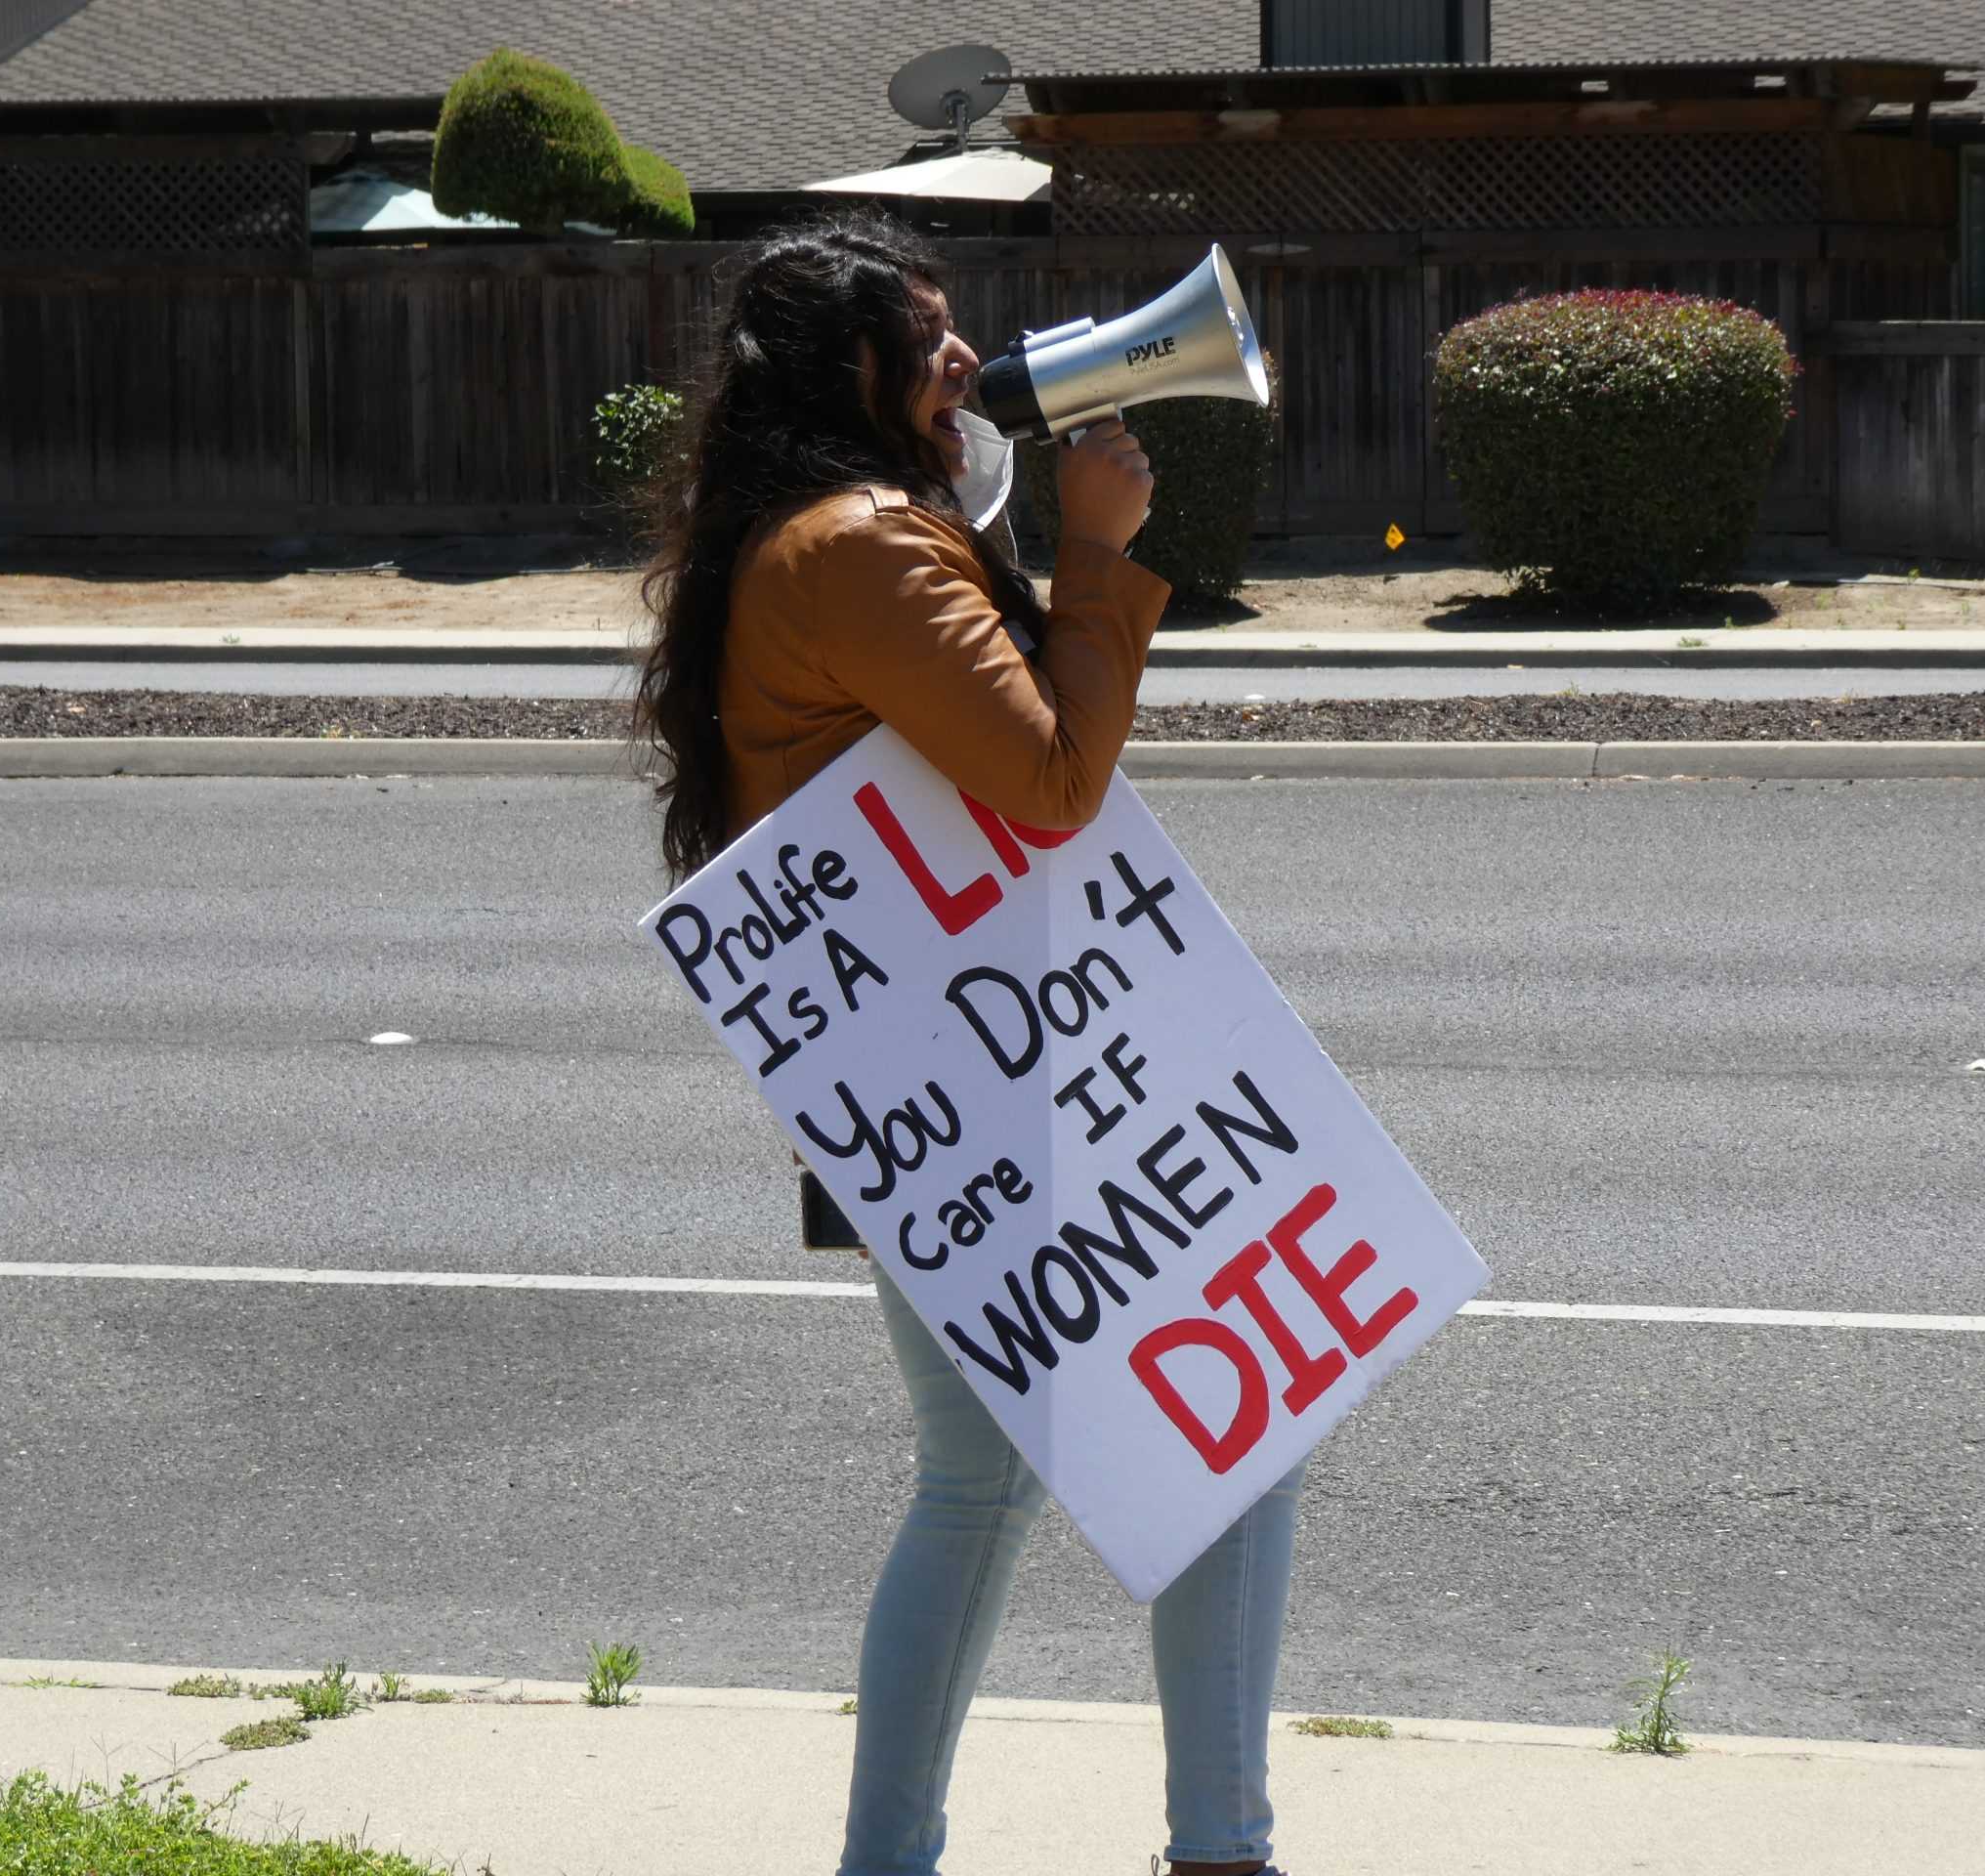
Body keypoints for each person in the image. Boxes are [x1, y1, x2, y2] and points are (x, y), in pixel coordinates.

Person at [633, 211, 1306, 1876]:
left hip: (948, 1070)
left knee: (985, 1484)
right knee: (1230, 1445)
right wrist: (1092, 550)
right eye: (921, 336)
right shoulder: (860, 545)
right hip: (990, 1085)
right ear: (844, 373)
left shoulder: (817, 533)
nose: (957, 355)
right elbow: (1052, 781)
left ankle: (902, 1859)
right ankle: (1219, 1852)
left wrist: (1002, 515)